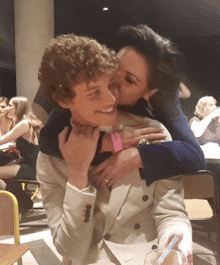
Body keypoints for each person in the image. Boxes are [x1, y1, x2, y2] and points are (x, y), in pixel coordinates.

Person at [37, 33, 193, 265]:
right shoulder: (50, 157)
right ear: (63, 99)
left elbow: (171, 213)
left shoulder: (150, 132)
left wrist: (176, 242)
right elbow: (71, 249)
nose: (112, 99)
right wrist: (77, 174)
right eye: (95, 92)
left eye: (111, 85)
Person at [39, 24, 205, 188]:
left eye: (130, 80)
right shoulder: (92, 81)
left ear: (149, 92)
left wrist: (137, 155)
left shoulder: (163, 100)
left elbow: (194, 156)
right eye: (116, 65)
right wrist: (109, 143)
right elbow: (48, 139)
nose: (112, 79)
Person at [0, 96, 43, 191]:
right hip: (31, 165)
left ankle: (16, 200)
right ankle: (20, 200)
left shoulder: (23, 124)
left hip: (32, 168)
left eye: (10, 105)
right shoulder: (26, 122)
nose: (7, 108)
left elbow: (1, 141)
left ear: (18, 108)